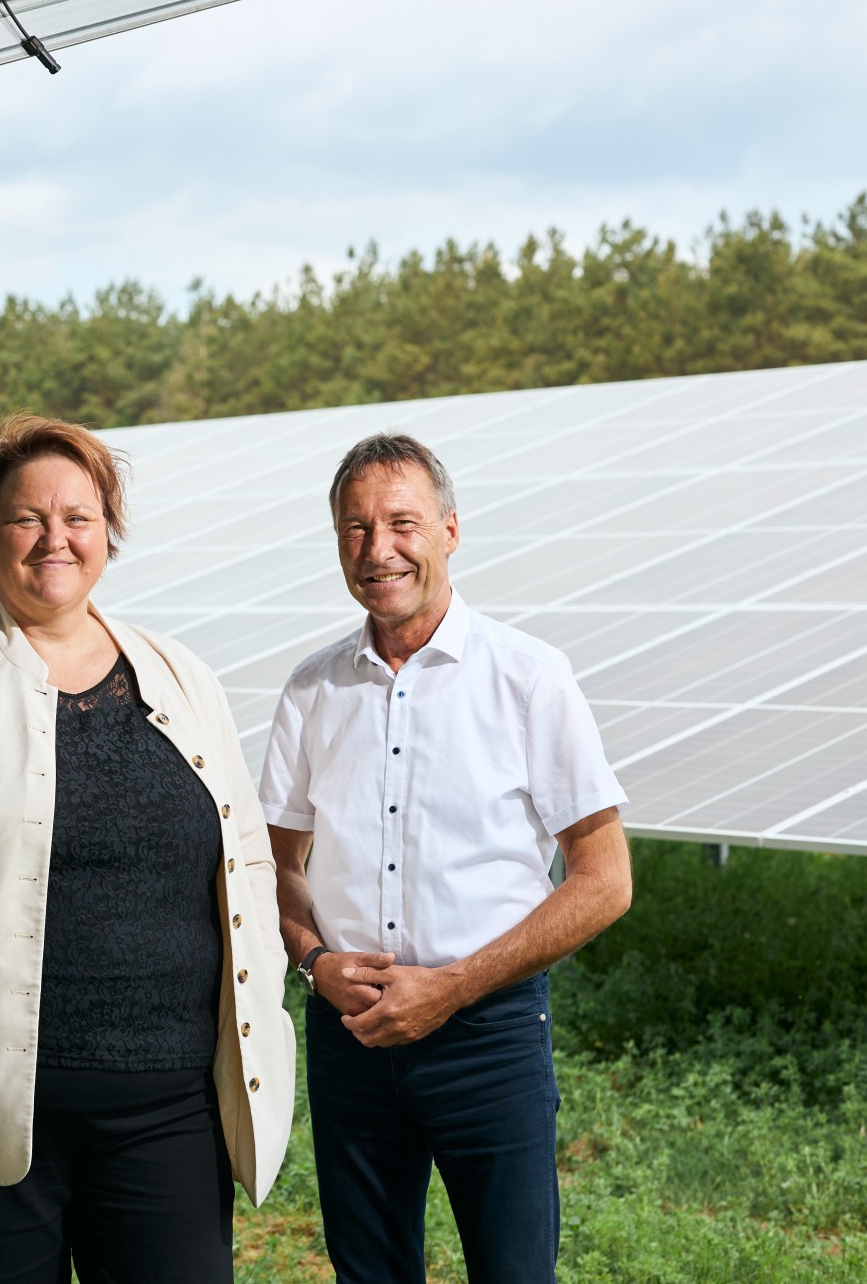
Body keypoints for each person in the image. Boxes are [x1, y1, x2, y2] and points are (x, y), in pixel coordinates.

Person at [0, 412, 295, 1284]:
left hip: (170, 1109)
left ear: (106, 531)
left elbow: (247, 861)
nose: (54, 540)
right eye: (26, 519)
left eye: (77, 517)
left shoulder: (183, 675)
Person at [261, 431, 634, 1284]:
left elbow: (605, 880)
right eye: (355, 529)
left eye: (402, 522)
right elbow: (275, 867)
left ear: (451, 531)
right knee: (370, 1272)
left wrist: (454, 987)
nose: (378, 549)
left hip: (487, 1032)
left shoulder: (531, 678)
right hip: (350, 1033)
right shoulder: (312, 689)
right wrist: (315, 962)